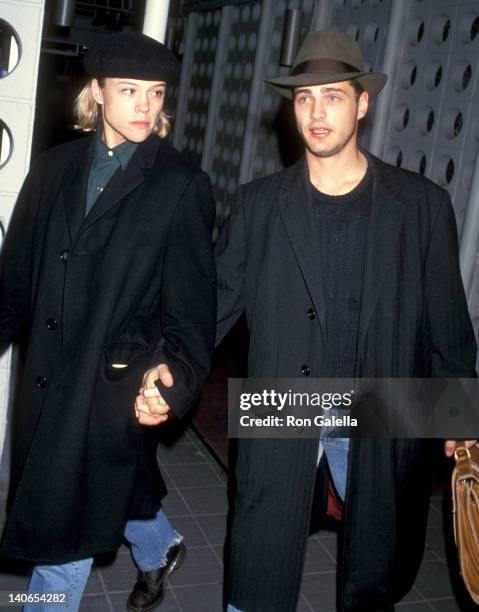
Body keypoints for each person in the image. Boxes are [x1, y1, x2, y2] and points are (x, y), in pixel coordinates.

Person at [139, 30, 477, 611]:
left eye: (334, 97)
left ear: (363, 103)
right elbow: (210, 307)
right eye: (304, 98)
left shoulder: (421, 206)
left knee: (375, 571)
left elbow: (447, 323)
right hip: (281, 402)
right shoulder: (258, 203)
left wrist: (461, 417)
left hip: (381, 405)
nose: (316, 114)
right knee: (257, 569)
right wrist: (170, 372)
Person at [0, 32, 216, 612]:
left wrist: (179, 383)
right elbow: (14, 277)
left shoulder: (181, 187)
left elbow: (193, 314)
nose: (145, 106)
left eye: (155, 93)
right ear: (96, 93)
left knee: (59, 531)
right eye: (129, 91)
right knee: (107, 488)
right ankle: (160, 546)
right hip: (45, 377)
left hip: (114, 383)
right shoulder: (53, 169)